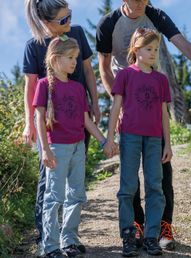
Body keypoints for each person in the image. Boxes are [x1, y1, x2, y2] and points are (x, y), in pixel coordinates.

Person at [96, 0, 191, 250]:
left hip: (152, 94)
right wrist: (118, 102)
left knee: (161, 166)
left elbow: (182, 44)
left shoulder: (155, 15)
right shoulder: (108, 24)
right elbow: (105, 68)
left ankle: (163, 225)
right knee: (130, 171)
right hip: (126, 96)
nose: (143, 3)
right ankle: (136, 223)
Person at [23, 0, 100, 257]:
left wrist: (96, 102)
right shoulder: (34, 46)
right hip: (52, 129)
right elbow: (31, 88)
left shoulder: (77, 33)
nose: (69, 22)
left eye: (70, 16)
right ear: (46, 22)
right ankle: (48, 240)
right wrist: (28, 124)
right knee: (49, 184)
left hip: (78, 118)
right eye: (62, 19)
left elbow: (88, 70)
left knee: (75, 183)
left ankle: (69, 238)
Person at [33, 36, 115, 258]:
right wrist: (45, 150)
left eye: (76, 58)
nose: (74, 63)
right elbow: (38, 118)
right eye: (70, 58)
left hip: (78, 147)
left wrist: (104, 141)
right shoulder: (43, 86)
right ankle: (50, 245)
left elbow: (86, 120)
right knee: (54, 196)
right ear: (55, 58)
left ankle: (69, 239)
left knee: (76, 195)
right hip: (56, 149)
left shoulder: (78, 88)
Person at [105, 27, 172, 256]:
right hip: (129, 137)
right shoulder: (125, 75)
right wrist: (110, 138)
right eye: (148, 48)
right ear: (136, 49)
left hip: (154, 139)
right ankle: (128, 235)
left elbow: (164, 114)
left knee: (155, 186)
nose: (153, 53)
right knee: (128, 188)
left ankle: (151, 237)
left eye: (156, 49)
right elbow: (115, 107)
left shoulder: (161, 80)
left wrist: (168, 144)